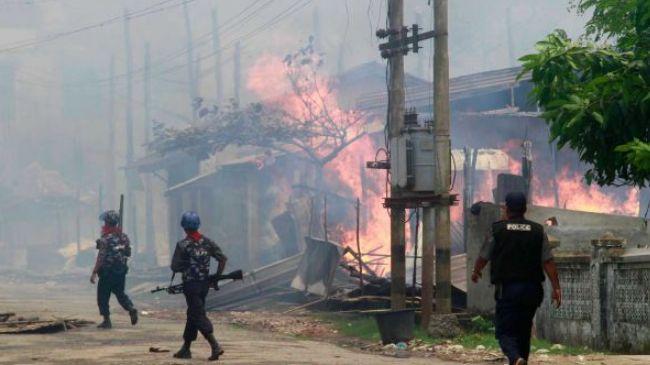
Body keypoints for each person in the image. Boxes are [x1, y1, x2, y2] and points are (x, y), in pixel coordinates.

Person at [471, 192, 562, 365]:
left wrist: (476, 272)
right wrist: (556, 288)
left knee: (504, 331)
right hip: (533, 290)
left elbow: (484, 256)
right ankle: (522, 360)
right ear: (525, 209)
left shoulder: (497, 229)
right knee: (524, 330)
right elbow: (548, 262)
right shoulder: (537, 230)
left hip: (508, 290)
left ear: (506, 208)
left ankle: (515, 358)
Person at [171, 211, 228, 361]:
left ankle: (215, 345)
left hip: (190, 285)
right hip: (204, 285)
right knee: (193, 314)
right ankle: (186, 348)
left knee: (197, 314)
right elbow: (222, 259)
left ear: (184, 226)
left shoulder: (182, 245)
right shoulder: (207, 242)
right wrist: (215, 278)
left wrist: (186, 265)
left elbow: (174, 267)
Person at [90, 210, 138, 329]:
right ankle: (131, 308)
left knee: (102, 295)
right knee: (120, 293)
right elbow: (128, 253)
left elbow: (101, 257)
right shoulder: (124, 237)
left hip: (107, 272)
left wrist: (94, 272)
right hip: (120, 271)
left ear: (107, 223)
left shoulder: (105, 239)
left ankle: (107, 320)